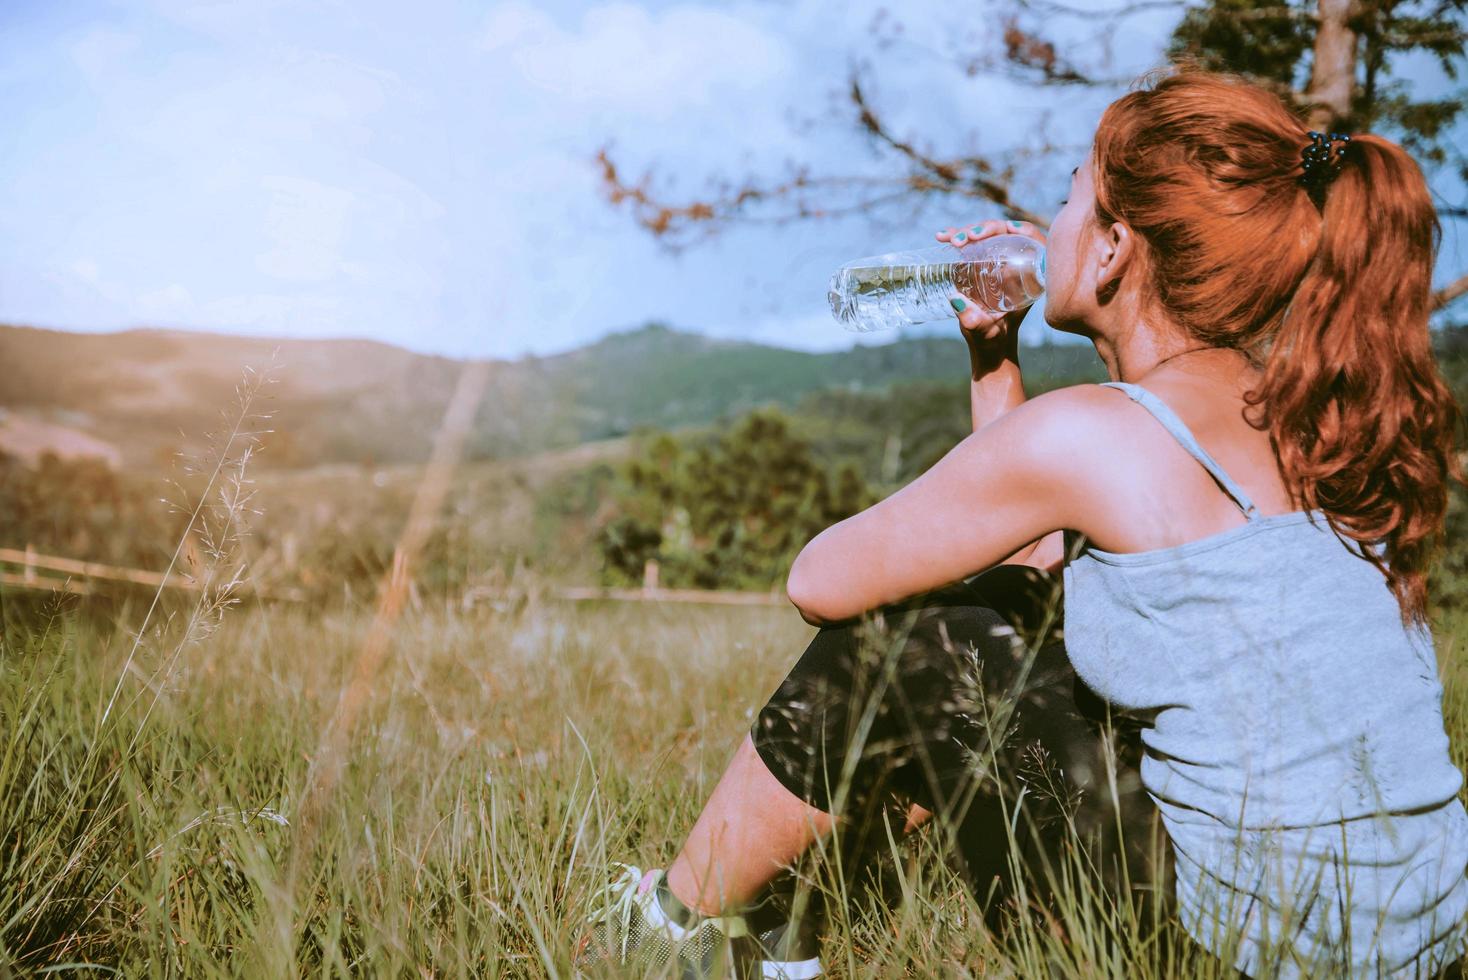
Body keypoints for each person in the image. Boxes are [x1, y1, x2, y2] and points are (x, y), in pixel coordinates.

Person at [576, 63, 1468, 979]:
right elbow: (1034, 569)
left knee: (916, 635)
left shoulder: (1097, 430)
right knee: (998, 626)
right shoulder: (1313, 422)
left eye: (1069, 198)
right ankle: (784, 928)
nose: (1051, 228)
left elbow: (819, 582)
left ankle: (672, 927)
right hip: (1416, 950)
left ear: (1116, 246)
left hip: (1237, 962)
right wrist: (995, 364)